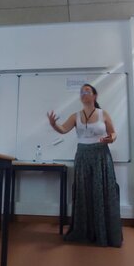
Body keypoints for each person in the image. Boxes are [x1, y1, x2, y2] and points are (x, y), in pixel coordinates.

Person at [47, 83, 122, 247]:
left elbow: (113, 133)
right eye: (81, 92)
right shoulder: (75, 116)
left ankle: (103, 233)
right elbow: (63, 129)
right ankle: (85, 231)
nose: (83, 93)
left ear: (95, 96)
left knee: (101, 192)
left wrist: (111, 138)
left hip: (101, 156)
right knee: (83, 192)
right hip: (82, 156)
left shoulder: (103, 114)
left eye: (87, 91)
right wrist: (53, 125)